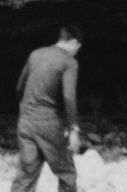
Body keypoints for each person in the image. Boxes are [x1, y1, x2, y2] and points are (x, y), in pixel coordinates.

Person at [10, 26, 83, 192]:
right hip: (49, 123)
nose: (76, 52)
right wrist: (73, 128)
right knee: (66, 172)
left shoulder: (35, 54)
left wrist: (27, 110)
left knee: (27, 173)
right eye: (78, 48)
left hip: (26, 121)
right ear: (73, 42)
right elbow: (68, 97)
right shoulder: (69, 62)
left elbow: (20, 87)